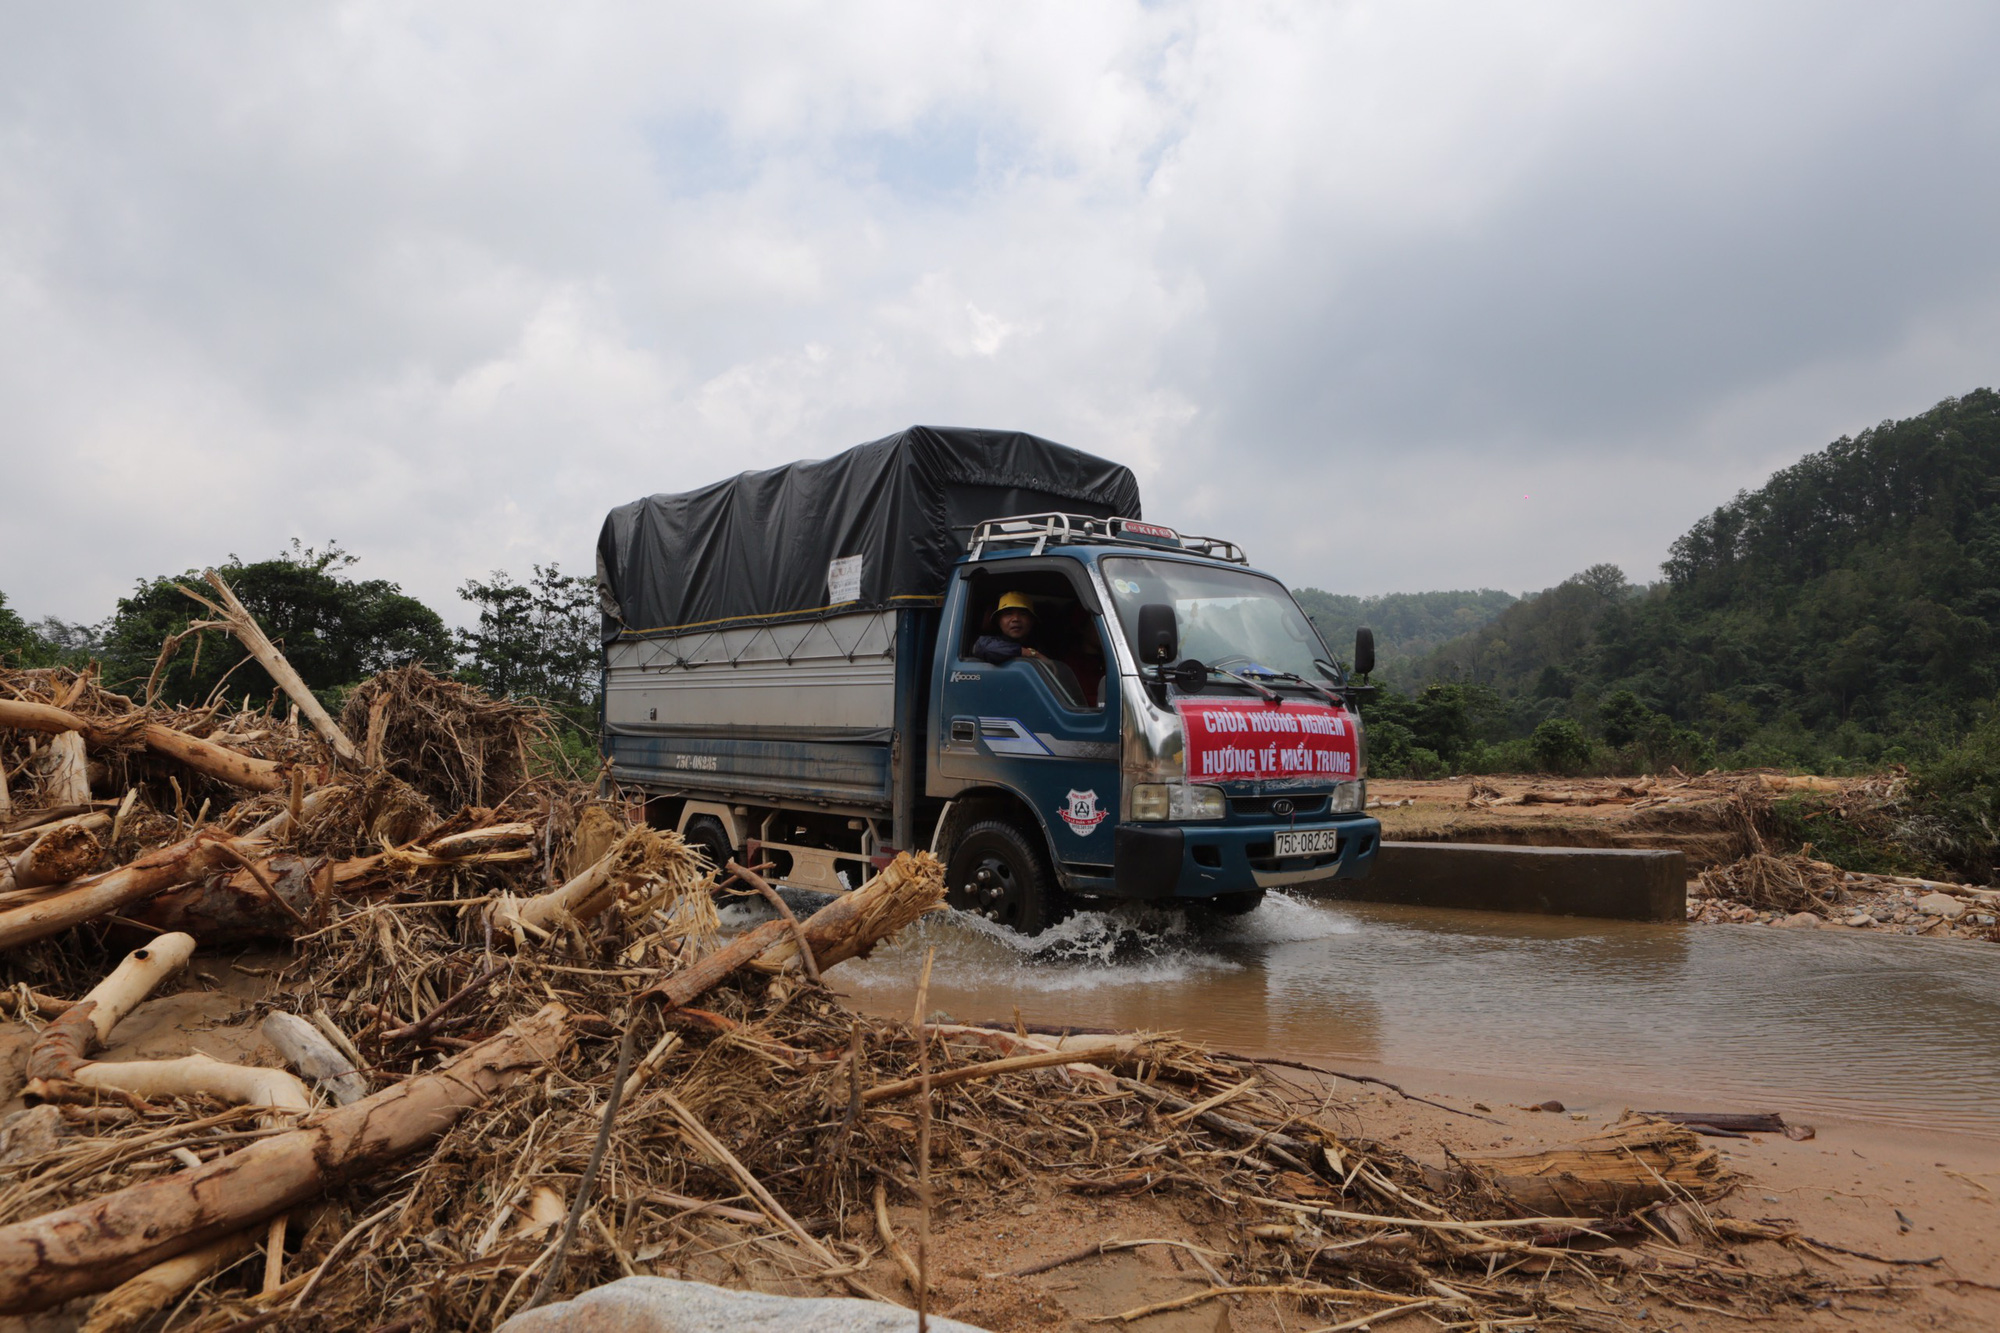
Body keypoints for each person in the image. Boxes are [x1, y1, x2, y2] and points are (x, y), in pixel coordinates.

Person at [971, 591, 1045, 664]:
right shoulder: (990, 642)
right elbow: (985, 648)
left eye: (1023, 614)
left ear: (1032, 620)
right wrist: (1028, 652)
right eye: (1008, 614)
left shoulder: (1041, 645)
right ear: (999, 621)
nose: (1016, 619)